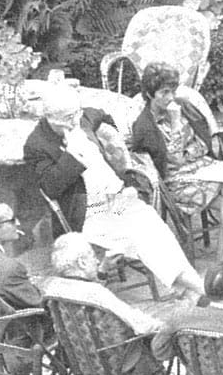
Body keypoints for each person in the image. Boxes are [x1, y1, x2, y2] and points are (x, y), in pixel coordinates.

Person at [23, 87, 204, 299]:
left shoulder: (82, 118)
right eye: (67, 118)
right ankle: (199, 290)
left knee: (156, 229)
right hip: (89, 213)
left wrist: (113, 137)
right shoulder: (36, 145)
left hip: (119, 199)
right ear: (49, 117)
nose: (74, 122)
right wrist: (74, 154)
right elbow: (50, 187)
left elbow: (101, 114)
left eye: (76, 114)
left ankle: (192, 290)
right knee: (143, 237)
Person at [128, 62, 223, 266]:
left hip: (201, 168)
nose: (170, 97)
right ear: (149, 93)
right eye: (164, 92)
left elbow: (203, 143)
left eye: (172, 91)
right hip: (176, 181)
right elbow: (174, 160)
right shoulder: (146, 124)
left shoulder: (184, 106)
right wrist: (175, 123)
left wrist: (190, 151)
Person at [41, 233, 163, 375]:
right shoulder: (97, 294)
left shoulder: (52, 289)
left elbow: (83, 290)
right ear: (82, 262)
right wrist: (166, 326)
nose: (97, 260)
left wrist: (103, 269)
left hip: (84, 367)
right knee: (168, 336)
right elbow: (143, 326)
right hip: (124, 368)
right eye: (92, 256)